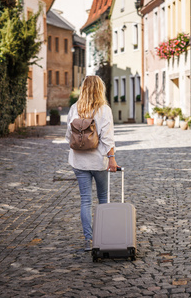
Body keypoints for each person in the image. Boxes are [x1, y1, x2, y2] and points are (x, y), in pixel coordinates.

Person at [65, 75, 118, 251]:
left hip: (79, 161)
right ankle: (103, 237)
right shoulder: (104, 109)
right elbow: (108, 138)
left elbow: (68, 136)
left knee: (85, 200)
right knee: (103, 198)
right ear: (99, 89)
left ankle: (88, 240)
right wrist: (111, 159)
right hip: (99, 161)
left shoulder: (74, 108)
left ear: (83, 89)